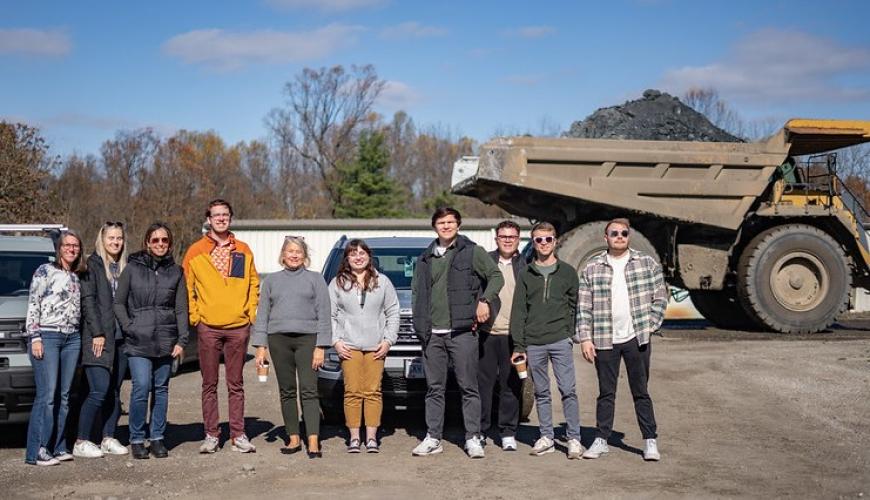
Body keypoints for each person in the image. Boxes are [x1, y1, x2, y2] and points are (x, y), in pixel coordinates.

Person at [411, 207, 503, 459]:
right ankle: (433, 438)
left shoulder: (472, 252)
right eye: (441, 222)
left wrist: (484, 300)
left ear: (458, 225)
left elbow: (496, 276)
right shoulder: (425, 258)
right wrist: (420, 326)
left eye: (451, 222)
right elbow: (417, 293)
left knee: (468, 387)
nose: (446, 226)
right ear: (434, 226)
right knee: (434, 389)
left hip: (461, 333)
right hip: (432, 334)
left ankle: (473, 437)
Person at [578, 218, 666, 461]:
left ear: (629, 237)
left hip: (636, 338)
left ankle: (650, 440)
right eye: (614, 233)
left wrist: (649, 326)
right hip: (604, 339)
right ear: (605, 238)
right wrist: (585, 338)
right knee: (606, 392)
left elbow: (660, 296)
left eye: (623, 233)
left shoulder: (646, 263)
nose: (619, 236)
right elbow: (583, 307)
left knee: (641, 391)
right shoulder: (592, 267)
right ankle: (601, 440)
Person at [183, 199, 259, 454]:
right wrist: (196, 316)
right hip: (209, 327)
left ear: (230, 218)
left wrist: (250, 313)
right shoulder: (195, 251)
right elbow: (187, 288)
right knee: (209, 384)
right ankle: (211, 435)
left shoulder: (243, 250)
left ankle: (238, 434)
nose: (221, 218)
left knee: (236, 383)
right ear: (208, 219)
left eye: (225, 214)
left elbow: (253, 284)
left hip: (238, 326)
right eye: (216, 215)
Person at [113, 222, 189, 460]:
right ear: (147, 242)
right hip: (138, 340)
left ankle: (157, 437)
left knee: (161, 389)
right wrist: (129, 327)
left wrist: (182, 339)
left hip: (166, 340)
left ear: (170, 243)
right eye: (155, 240)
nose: (160, 244)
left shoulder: (176, 272)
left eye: (164, 240)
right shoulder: (132, 269)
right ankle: (136, 438)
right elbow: (119, 303)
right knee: (141, 387)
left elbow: (181, 309)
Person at [253, 236, 331, 459]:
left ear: (304, 256)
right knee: (286, 390)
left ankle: (313, 439)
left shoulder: (316, 279)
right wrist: (260, 346)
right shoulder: (271, 281)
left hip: (308, 340)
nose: (294, 255)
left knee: (309, 389)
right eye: (290, 251)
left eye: (298, 251)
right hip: (279, 341)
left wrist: (321, 346)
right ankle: (293, 437)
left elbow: (324, 314)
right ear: (283, 254)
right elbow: (263, 315)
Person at [510, 222, 582, 459]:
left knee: (568, 390)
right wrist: (519, 345)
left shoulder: (568, 272)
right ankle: (547, 438)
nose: (543, 244)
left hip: (560, 340)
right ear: (533, 243)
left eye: (547, 239)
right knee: (541, 392)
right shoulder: (526, 274)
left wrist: (568, 333)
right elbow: (519, 311)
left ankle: (574, 439)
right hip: (534, 343)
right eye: (538, 240)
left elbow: (574, 305)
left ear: (555, 241)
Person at [329, 239, 400, 453]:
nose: (358, 257)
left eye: (362, 253)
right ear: (347, 259)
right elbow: (330, 314)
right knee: (352, 391)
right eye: (353, 254)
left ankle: (371, 438)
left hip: (375, 346)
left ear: (369, 256)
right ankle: (354, 438)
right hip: (348, 345)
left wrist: (388, 340)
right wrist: (336, 341)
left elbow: (393, 312)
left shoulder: (382, 281)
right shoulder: (337, 283)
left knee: (373, 391)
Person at [24, 230, 85, 466]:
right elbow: (34, 303)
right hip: (48, 335)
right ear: (59, 248)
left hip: (72, 338)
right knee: (47, 396)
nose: (71, 249)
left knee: (64, 396)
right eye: (67, 245)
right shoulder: (45, 271)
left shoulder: (76, 276)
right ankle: (38, 450)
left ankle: (58, 446)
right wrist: (35, 337)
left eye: (75, 246)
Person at [73, 222, 130, 458]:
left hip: (121, 339)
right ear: (102, 239)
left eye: (119, 238)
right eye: (111, 238)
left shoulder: (125, 267)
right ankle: (81, 440)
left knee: (114, 391)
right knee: (98, 390)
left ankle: (108, 437)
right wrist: (97, 333)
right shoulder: (92, 265)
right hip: (98, 338)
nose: (115, 242)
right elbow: (88, 302)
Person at [478, 220, 526, 451]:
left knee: (511, 386)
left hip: (513, 336)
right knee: (483, 386)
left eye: (512, 236)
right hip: (486, 334)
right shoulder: (485, 262)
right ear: (496, 239)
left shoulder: (526, 265)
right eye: (503, 236)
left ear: (518, 239)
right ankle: (480, 430)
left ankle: (508, 432)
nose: (508, 240)